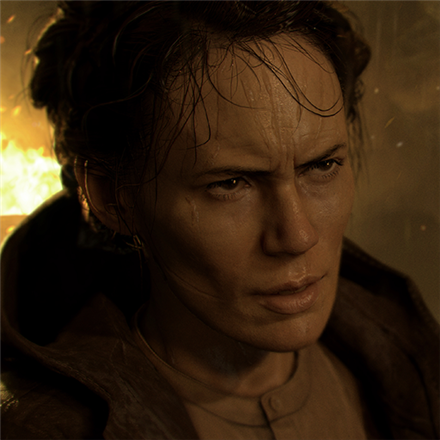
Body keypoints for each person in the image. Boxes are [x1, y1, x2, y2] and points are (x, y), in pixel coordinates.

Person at [1, 0, 439, 438]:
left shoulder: (408, 364)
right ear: (111, 196)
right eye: (230, 184)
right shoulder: (48, 429)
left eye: (322, 165)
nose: (297, 236)